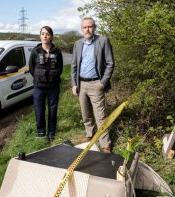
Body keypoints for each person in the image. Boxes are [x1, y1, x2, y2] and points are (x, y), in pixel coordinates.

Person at [71, 17, 114, 153]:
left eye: (90, 27)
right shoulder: (77, 44)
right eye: (84, 27)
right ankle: (89, 134)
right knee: (85, 113)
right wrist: (74, 84)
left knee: (100, 116)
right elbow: (73, 66)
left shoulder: (102, 41)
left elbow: (110, 63)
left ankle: (105, 144)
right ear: (81, 29)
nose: (87, 29)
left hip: (96, 83)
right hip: (81, 84)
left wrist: (103, 83)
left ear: (94, 28)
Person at [29, 26, 63, 140]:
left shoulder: (57, 52)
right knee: (39, 110)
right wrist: (40, 78)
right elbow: (31, 68)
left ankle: (51, 133)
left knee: (52, 111)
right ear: (40, 36)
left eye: (47, 34)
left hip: (53, 87)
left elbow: (60, 68)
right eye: (42, 33)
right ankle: (41, 133)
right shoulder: (35, 51)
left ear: (51, 37)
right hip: (39, 87)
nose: (45, 36)